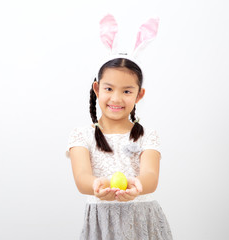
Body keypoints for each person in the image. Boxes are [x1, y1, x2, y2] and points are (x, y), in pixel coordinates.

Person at [66, 15, 173, 240]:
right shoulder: (82, 136)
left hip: (143, 221)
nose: (116, 98)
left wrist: (138, 185)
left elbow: (151, 176)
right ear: (97, 89)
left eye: (126, 91)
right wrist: (97, 184)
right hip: (102, 224)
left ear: (139, 94)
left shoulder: (146, 135)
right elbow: (82, 177)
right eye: (108, 89)